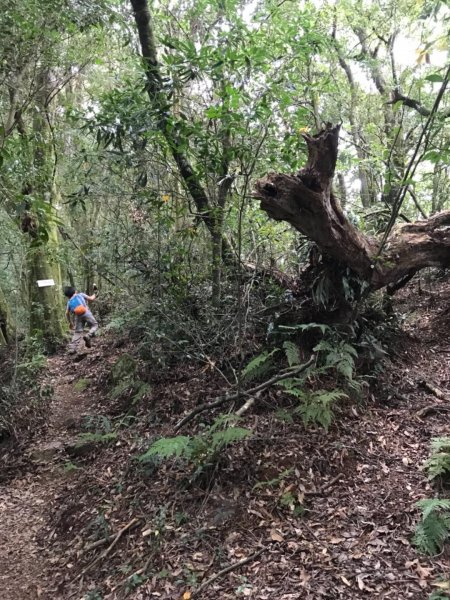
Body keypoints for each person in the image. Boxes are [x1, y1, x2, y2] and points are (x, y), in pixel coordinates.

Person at [63, 286, 98, 353]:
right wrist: (95, 294)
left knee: (78, 332)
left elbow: (67, 313)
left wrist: (70, 323)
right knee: (95, 325)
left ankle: (72, 348)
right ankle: (88, 335)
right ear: (74, 291)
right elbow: (91, 298)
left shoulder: (69, 302)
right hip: (86, 313)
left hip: (78, 316)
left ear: (67, 296)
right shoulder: (80, 295)